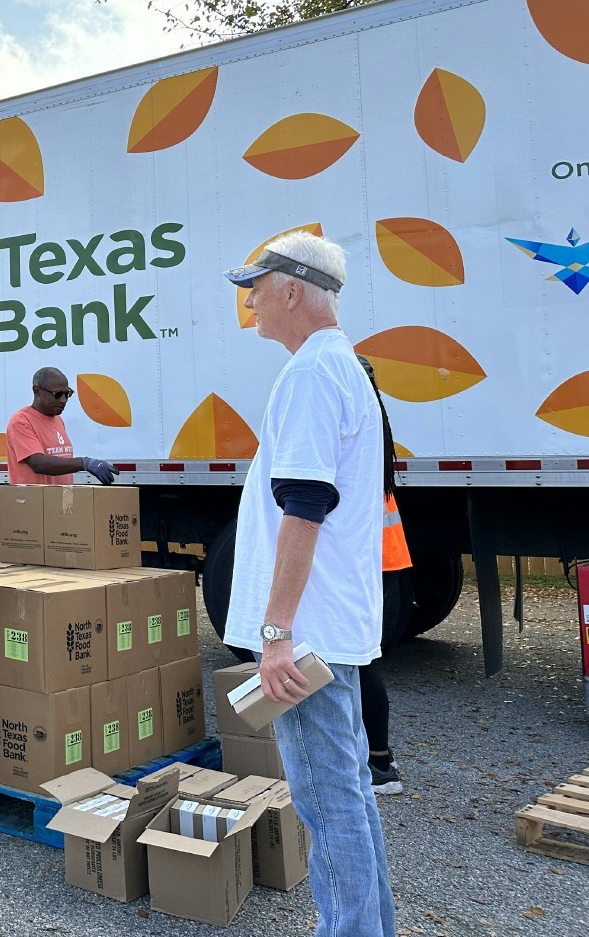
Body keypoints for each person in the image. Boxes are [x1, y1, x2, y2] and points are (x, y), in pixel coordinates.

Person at [222, 231, 395, 937]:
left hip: (307, 636)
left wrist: (276, 633)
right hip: (330, 627)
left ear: (292, 289)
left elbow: (304, 505)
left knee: (328, 800)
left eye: (256, 286)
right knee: (348, 793)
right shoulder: (339, 366)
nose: (250, 300)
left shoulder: (310, 375)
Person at [356, 357, 414, 796]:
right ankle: (379, 760)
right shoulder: (377, 427)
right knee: (365, 664)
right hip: (387, 562)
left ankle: (380, 766)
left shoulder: (358, 434)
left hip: (368, 566)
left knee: (359, 665)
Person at [5, 367, 117, 485]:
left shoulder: (58, 420)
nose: (63, 400)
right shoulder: (21, 421)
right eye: (57, 394)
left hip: (62, 499)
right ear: (37, 391)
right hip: (35, 501)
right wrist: (84, 463)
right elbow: (38, 463)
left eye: (67, 394)